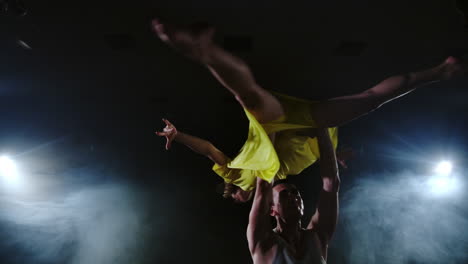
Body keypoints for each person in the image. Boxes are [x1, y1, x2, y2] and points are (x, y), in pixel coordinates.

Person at [153, 20, 466, 202]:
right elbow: (313, 152)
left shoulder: (234, 174)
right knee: (370, 100)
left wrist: (179, 136)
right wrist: (337, 152)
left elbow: (208, 149)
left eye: (235, 198)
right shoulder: (278, 180)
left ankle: (205, 53)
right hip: (307, 130)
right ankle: (438, 73)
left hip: (271, 131)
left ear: (230, 190)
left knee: (247, 94)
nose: (239, 200)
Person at [247, 128, 339, 264]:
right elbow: (263, 185)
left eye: (295, 193)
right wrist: (270, 126)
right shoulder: (263, 241)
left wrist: (322, 130)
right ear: (272, 210)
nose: (292, 197)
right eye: (284, 195)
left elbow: (331, 183)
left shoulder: (317, 236)